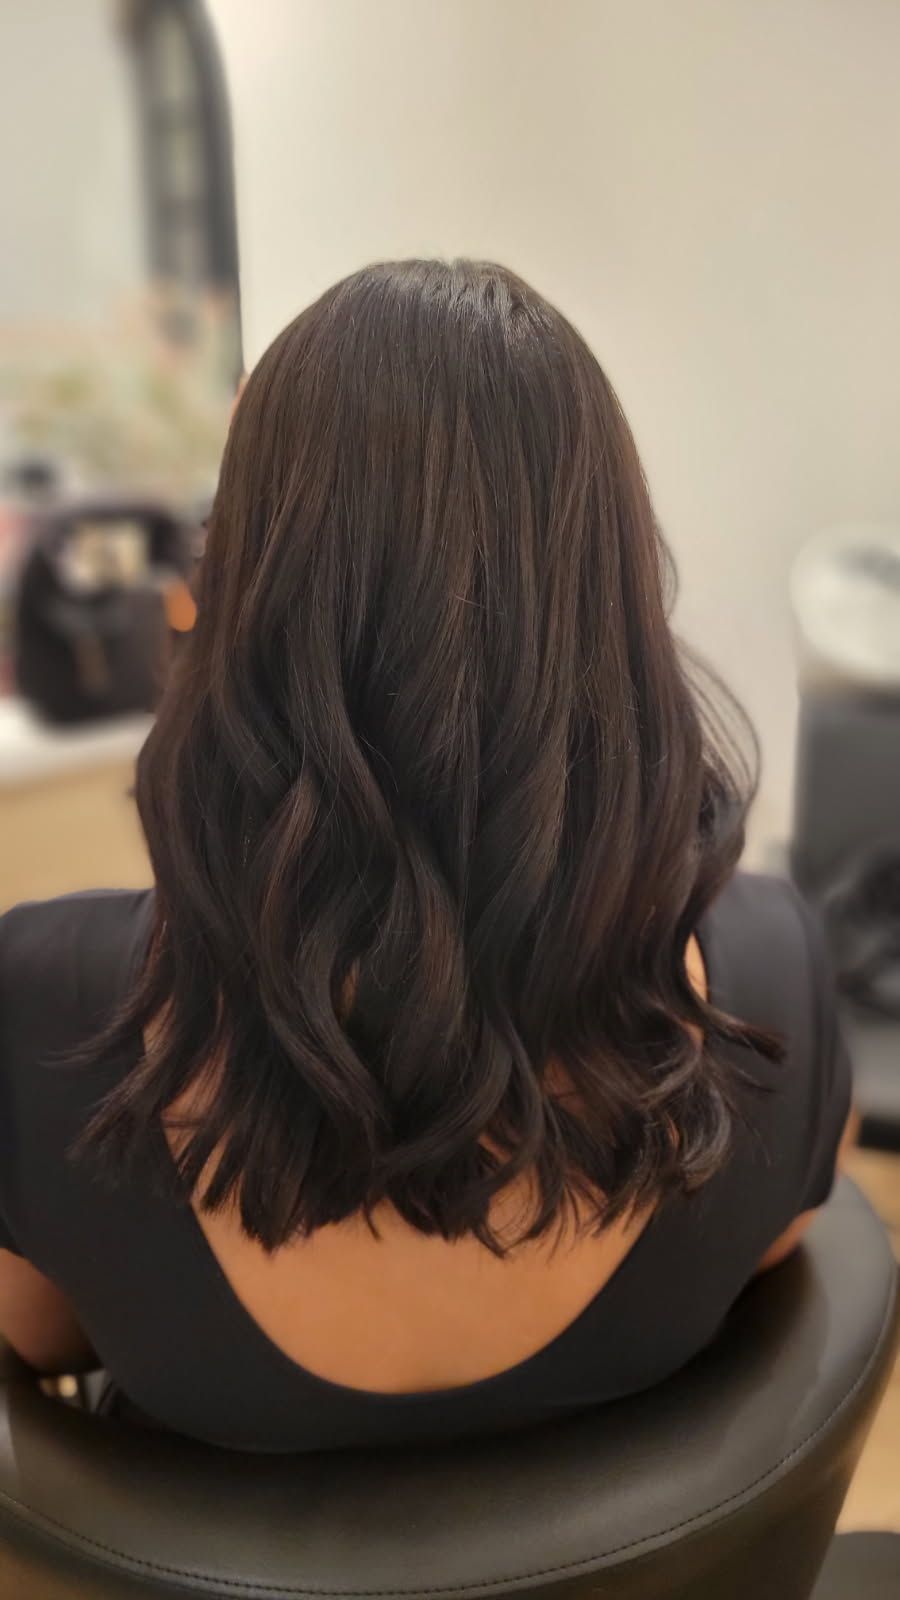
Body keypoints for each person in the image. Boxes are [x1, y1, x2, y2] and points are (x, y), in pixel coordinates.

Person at [0, 261, 853, 1452]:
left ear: (244, 590)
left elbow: (37, 1339)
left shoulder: (45, 1009)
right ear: (607, 603)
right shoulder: (774, 992)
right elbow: (769, 1273)